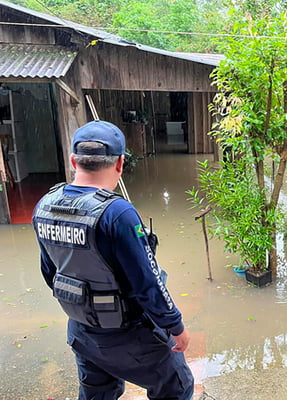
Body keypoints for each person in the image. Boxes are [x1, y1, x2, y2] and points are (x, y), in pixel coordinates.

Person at [32, 120, 194, 399]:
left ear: (73, 161)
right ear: (120, 163)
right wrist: (175, 326)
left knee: (98, 394)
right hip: (128, 334)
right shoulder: (117, 213)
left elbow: (50, 274)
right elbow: (148, 283)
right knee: (177, 386)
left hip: (82, 331)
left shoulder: (44, 205)